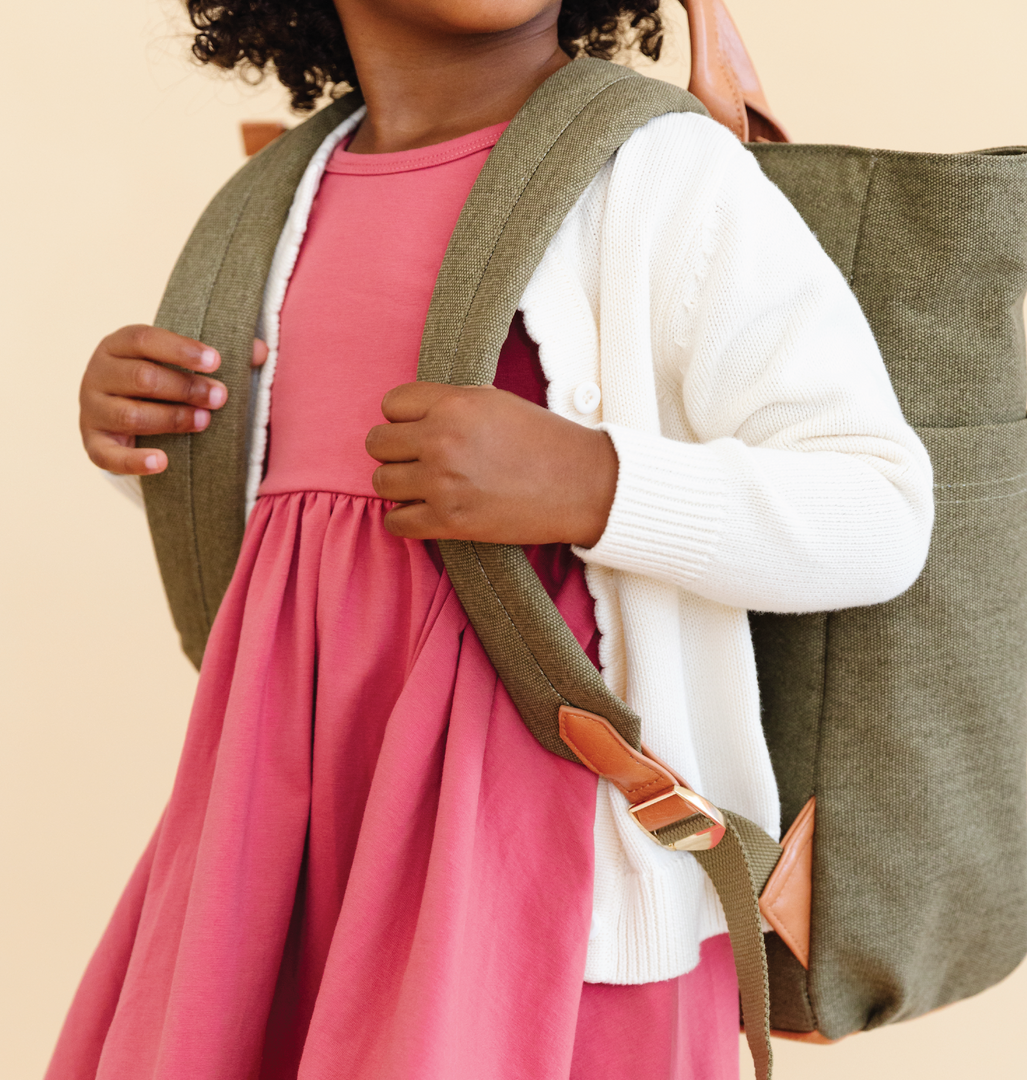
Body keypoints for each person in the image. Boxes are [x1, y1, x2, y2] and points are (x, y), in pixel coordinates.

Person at [54, 2, 935, 1077]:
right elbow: (300, 550)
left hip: (549, 910)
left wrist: (596, 483)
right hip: (280, 873)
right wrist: (147, 447)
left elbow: (880, 508)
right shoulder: (267, 205)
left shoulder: (659, 173)